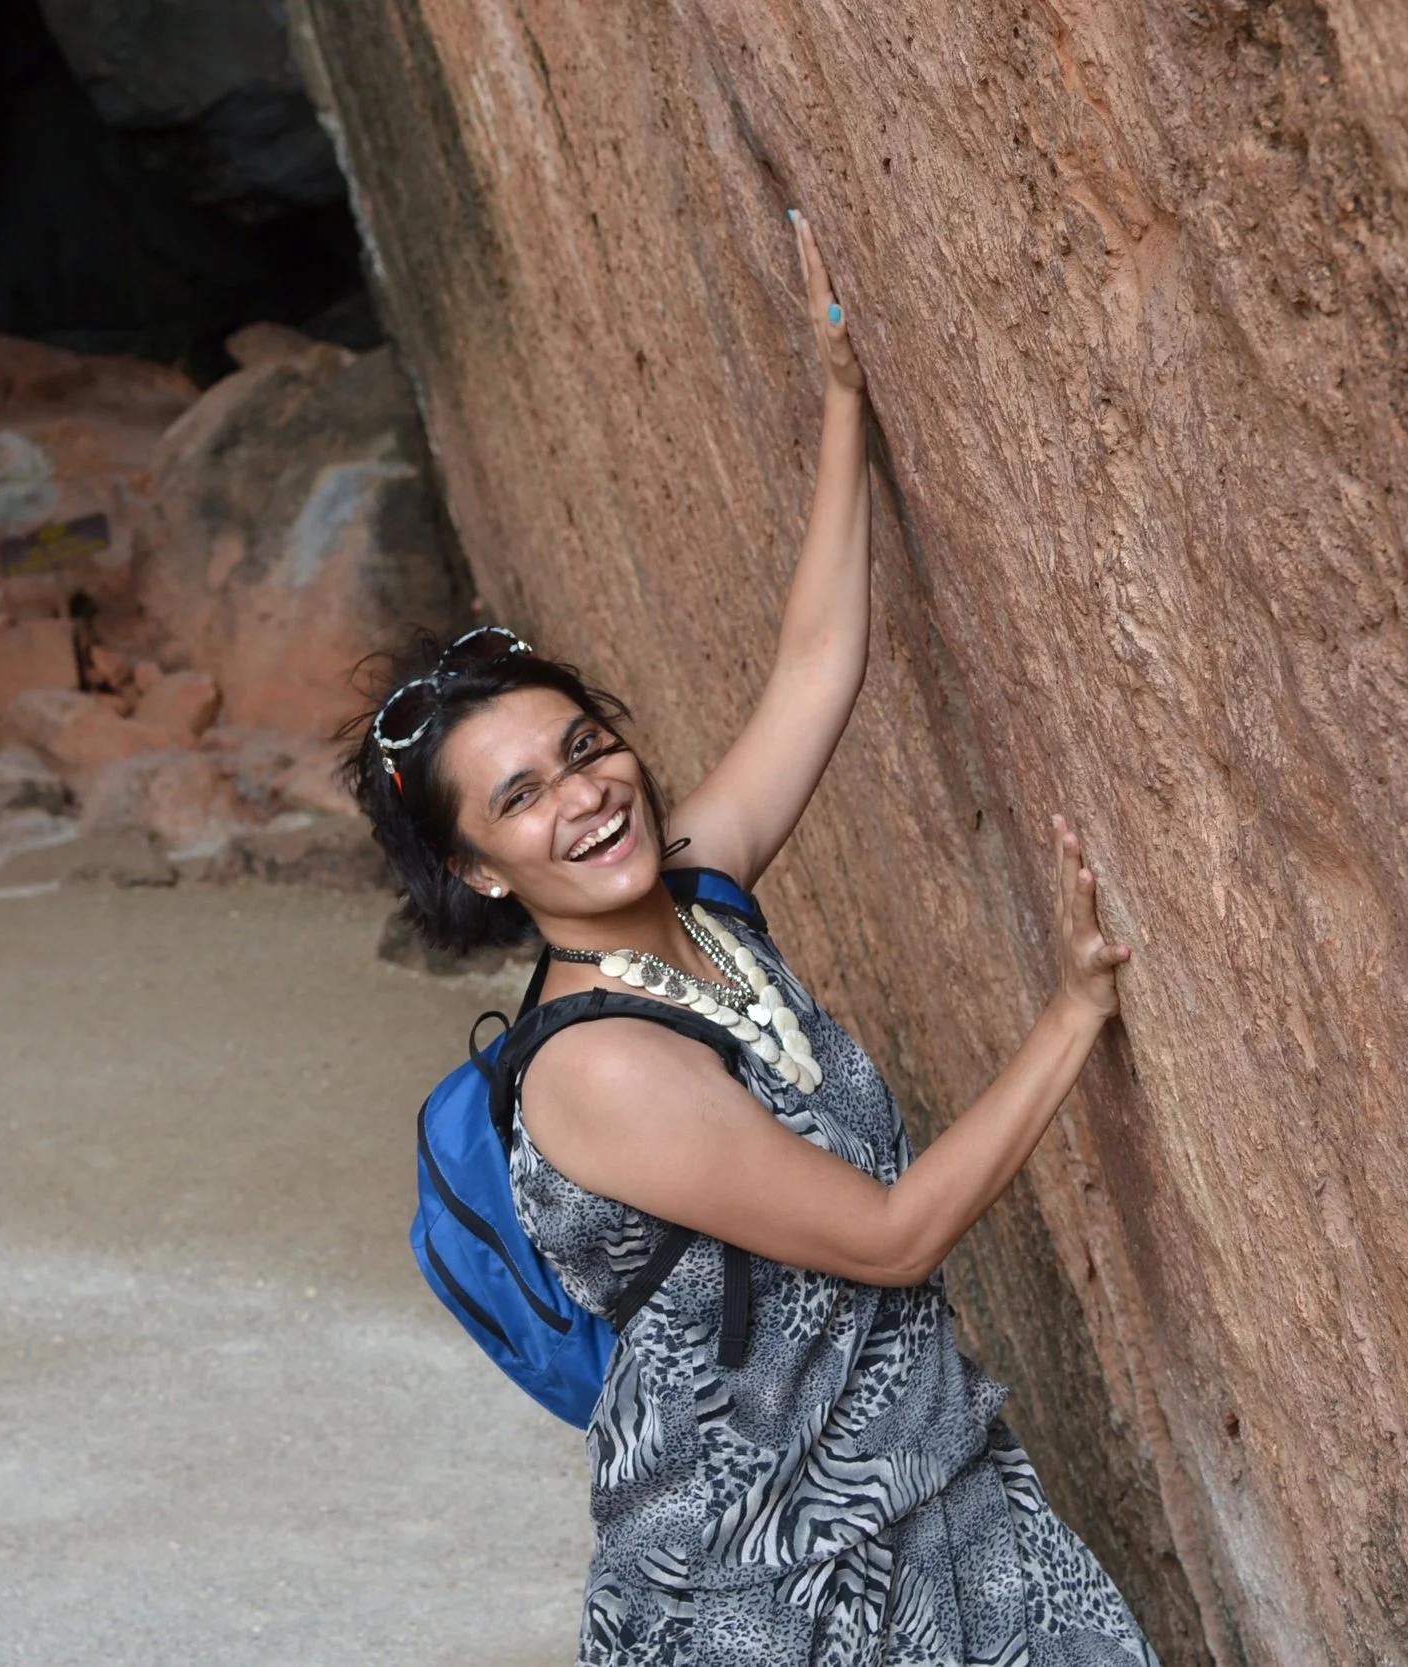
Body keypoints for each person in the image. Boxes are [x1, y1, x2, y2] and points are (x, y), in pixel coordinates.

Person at [348, 214, 1161, 1666]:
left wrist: (845, 396)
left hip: (934, 1495)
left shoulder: (699, 893)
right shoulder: (594, 1069)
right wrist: (1074, 1016)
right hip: (774, 1596)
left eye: (585, 746)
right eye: (522, 799)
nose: (584, 796)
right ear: (477, 870)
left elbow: (816, 665)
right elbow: (895, 1237)